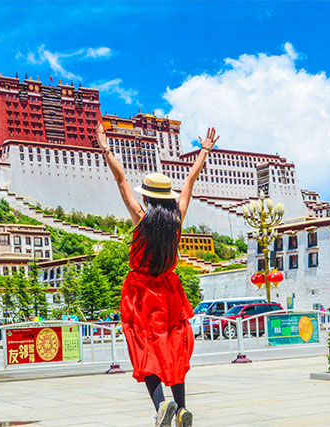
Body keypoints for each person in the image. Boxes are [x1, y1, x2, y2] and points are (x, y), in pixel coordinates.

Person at [96, 123, 219, 427]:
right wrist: (204, 151)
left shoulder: (141, 218)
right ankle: (182, 409)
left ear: (148, 198)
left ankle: (162, 405)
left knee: (146, 349)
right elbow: (190, 180)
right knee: (174, 349)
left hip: (141, 293)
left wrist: (106, 149)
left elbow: (121, 179)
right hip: (169, 291)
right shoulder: (177, 219)